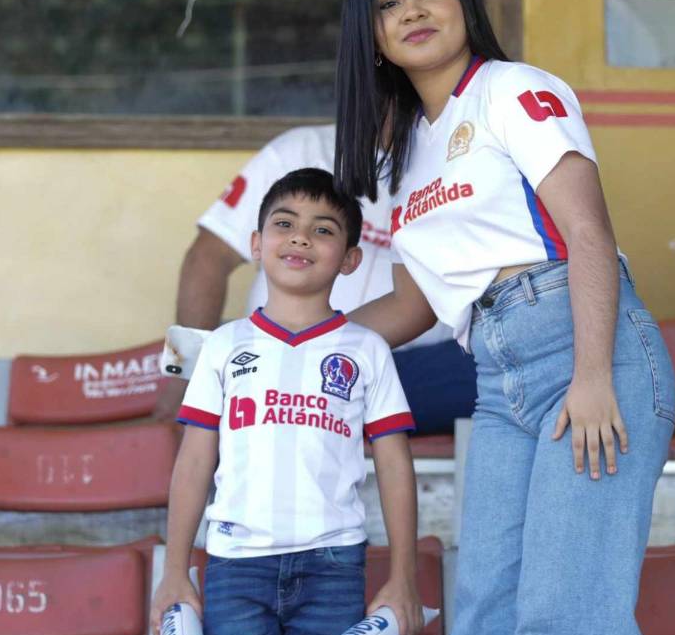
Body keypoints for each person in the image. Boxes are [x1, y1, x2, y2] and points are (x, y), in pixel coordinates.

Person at [332, 0, 675, 635]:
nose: (413, 10)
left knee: (566, 603)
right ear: (374, 38)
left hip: (587, 349)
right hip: (496, 375)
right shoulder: (406, 153)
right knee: (484, 603)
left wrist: (592, 376)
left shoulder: (514, 89)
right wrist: (306, 343)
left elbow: (589, 233)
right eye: (388, 3)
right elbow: (422, 297)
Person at [149, 169, 424, 635]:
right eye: (284, 224)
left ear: (349, 258)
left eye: (323, 230)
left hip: (334, 568)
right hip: (236, 566)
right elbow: (194, 461)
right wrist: (175, 571)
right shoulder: (224, 347)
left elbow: (395, 467)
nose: (300, 237)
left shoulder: (367, 350)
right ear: (256, 244)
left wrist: (403, 577)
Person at [151, 123, 476, 435]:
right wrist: (183, 373)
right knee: (239, 369)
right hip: (283, 359)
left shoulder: (467, 167)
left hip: (418, 373)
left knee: (494, 370)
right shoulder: (301, 150)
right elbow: (207, 258)